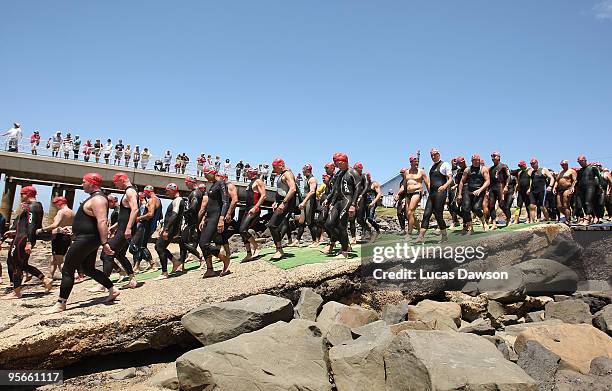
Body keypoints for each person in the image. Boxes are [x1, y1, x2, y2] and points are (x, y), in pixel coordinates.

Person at [41, 173, 119, 314]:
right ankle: (112, 290)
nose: (82, 184)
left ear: (92, 183)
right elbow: (89, 221)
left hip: (86, 239)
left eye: (84, 182)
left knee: (67, 270)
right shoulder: (94, 198)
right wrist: (74, 228)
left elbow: (102, 221)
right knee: (88, 268)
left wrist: (105, 243)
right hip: (86, 237)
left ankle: (61, 304)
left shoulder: (98, 199)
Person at [2, 186, 53, 299]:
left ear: (28, 194)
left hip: (22, 240)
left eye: (22, 194)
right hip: (21, 237)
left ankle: (16, 292)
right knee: (22, 264)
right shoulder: (35, 206)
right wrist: (14, 231)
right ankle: (45, 279)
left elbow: (32, 225)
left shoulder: (33, 206)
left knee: (15, 263)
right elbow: (28, 224)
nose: (20, 197)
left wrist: (29, 242)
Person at [93, 173, 138, 290]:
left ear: (122, 180)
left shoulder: (130, 192)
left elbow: (135, 210)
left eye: (116, 183)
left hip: (125, 230)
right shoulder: (129, 191)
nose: (115, 185)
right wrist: (115, 226)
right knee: (120, 255)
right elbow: (126, 214)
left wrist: (127, 228)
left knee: (106, 254)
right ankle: (132, 279)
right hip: (123, 229)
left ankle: (104, 284)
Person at [322, 152, 361, 258]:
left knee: (342, 226)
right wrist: (329, 200)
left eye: (338, 163)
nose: (337, 165)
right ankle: (345, 243)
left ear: (344, 162)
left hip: (347, 200)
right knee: (328, 224)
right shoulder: (339, 173)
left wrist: (353, 204)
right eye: (336, 163)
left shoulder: (353, 172)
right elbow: (335, 189)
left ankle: (344, 252)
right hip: (338, 201)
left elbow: (358, 188)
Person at [198, 168, 231, 276]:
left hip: (216, 217)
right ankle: (210, 269)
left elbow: (226, 202)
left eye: (206, 174)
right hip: (209, 217)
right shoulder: (212, 185)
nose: (205, 176)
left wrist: (221, 219)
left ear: (213, 173)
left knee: (205, 243)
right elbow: (210, 204)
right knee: (202, 243)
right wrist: (203, 218)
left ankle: (225, 259)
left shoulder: (221, 183)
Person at [415, 148, 453, 244]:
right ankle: (420, 237)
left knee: (438, 215)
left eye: (435, 154)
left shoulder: (445, 164)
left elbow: (450, 179)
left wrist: (444, 187)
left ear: (438, 154)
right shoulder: (431, 166)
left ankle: (444, 236)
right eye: (431, 155)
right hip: (432, 194)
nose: (433, 156)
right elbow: (429, 182)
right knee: (426, 214)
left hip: (440, 193)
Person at [37, 196, 74, 280]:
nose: (55, 206)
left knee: (60, 261)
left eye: (55, 204)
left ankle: (68, 277)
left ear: (59, 203)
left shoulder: (61, 212)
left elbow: (55, 225)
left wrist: (42, 230)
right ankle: (50, 276)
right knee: (54, 259)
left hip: (59, 237)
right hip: (66, 237)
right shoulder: (72, 213)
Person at [267, 158, 297, 260]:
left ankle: (279, 250)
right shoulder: (281, 175)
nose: (274, 170)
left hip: (286, 203)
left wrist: (284, 203)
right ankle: (279, 249)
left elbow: (293, 189)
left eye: (275, 168)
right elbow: (281, 190)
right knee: (274, 225)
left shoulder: (287, 174)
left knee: (272, 225)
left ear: (281, 165)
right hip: (281, 202)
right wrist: (276, 201)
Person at [154, 183, 184, 279]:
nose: (166, 193)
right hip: (170, 228)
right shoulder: (176, 200)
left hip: (171, 228)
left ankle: (164, 272)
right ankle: (175, 262)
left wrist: (166, 229)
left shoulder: (178, 200)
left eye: (167, 191)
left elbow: (175, 215)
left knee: (159, 247)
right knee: (159, 247)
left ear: (172, 190)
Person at [457, 154, 491, 234]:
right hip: (469, 190)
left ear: (479, 160)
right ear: (472, 161)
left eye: (478, 160)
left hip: (480, 190)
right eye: (474, 160)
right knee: (465, 208)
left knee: (476, 208)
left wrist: (480, 190)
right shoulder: (468, 169)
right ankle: (470, 227)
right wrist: (459, 194)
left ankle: (484, 222)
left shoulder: (483, 169)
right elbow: (462, 182)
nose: (476, 162)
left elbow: (488, 181)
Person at [133, 185, 163, 271]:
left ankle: (152, 264)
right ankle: (137, 265)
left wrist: (138, 218)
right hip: (150, 225)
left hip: (147, 226)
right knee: (140, 245)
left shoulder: (152, 200)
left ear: (147, 192)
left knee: (137, 245)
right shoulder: (157, 199)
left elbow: (150, 214)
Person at [240, 168, 267, 261]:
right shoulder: (251, 183)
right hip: (248, 209)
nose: (246, 174)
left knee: (243, 230)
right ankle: (248, 253)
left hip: (254, 209)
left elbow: (263, 195)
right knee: (241, 231)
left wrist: (255, 207)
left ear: (251, 173)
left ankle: (256, 246)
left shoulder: (258, 181)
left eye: (247, 173)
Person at [179, 176, 204, 265]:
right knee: (183, 241)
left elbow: (193, 207)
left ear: (191, 182)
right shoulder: (198, 192)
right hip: (192, 220)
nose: (186, 184)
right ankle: (181, 264)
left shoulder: (195, 193)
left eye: (186, 183)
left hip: (192, 221)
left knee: (183, 242)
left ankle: (200, 257)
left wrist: (184, 212)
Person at [295, 163, 320, 247]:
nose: (302, 172)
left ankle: (315, 241)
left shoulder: (312, 179)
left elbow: (312, 191)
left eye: (304, 170)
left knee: (310, 222)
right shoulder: (306, 179)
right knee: (301, 222)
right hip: (305, 201)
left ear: (308, 170)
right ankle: (297, 240)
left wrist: (304, 202)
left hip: (310, 202)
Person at [402, 156, 426, 239]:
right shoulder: (406, 172)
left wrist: (432, 194)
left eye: (417, 162)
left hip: (417, 192)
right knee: (409, 215)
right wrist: (398, 194)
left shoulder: (421, 172)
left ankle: (409, 234)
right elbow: (404, 185)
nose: (416, 163)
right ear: (411, 162)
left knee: (410, 211)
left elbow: (428, 183)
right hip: (408, 194)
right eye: (414, 162)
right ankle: (419, 229)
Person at [576, 155, 602, 225]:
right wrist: (575, 189)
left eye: (581, 161)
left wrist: (600, 187)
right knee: (584, 204)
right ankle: (593, 217)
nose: (580, 163)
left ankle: (587, 219)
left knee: (588, 202)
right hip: (582, 188)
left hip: (591, 187)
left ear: (585, 160)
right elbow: (577, 181)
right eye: (579, 162)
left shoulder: (593, 168)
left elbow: (600, 177)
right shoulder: (580, 171)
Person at [488, 152, 511, 229]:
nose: (493, 158)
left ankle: (508, 218)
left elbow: (508, 176)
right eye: (492, 156)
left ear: (499, 157)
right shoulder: (491, 169)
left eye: (494, 156)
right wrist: (488, 190)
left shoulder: (503, 166)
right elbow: (490, 180)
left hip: (500, 186)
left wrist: (506, 186)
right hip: (492, 187)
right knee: (491, 205)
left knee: (501, 204)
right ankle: (494, 223)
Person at [220, 174, 239, 258]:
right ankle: (222, 252)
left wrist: (229, 213)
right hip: (221, 212)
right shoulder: (221, 187)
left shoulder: (229, 186)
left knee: (222, 232)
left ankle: (227, 253)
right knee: (219, 233)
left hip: (227, 213)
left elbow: (234, 200)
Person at [552, 160, 577, 224]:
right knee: (559, 206)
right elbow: (557, 181)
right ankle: (567, 216)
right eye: (562, 165)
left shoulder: (571, 171)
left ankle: (568, 220)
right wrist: (554, 187)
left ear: (567, 164)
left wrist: (572, 187)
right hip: (560, 190)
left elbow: (575, 180)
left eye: (564, 164)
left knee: (566, 205)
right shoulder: (560, 172)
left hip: (567, 189)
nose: (563, 165)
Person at [364, 172, 382, 241]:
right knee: (363, 219)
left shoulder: (374, 184)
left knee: (370, 218)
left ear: (370, 177)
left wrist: (373, 202)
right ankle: (368, 233)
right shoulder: (364, 185)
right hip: (365, 203)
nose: (366, 178)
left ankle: (378, 231)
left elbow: (379, 193)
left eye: (368, 176)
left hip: (372, 203)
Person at [394, 168, 407, 232]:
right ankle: (403, 229)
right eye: (401, 173)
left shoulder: (408, 180)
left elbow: (403, 188)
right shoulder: (401, 182)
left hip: (408, 198)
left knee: (407, 215)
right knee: (399, 213)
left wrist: (397, 194)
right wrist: (397, 198)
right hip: (401, 199)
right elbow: (401, 191)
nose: (401, 174)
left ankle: (417, 228)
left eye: (403, 172)